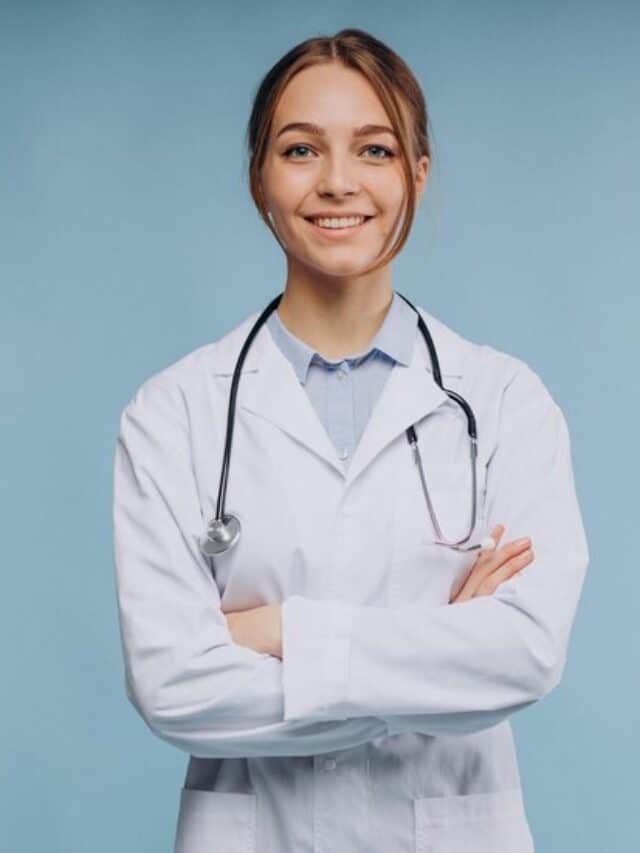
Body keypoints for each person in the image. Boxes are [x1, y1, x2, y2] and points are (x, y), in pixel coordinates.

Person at [112, 28, 589, 853]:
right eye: (301, 149)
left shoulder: (506, 402)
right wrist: (440, 648)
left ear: (418, 173)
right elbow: (170, 684)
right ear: (259, 177)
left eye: (375, 149)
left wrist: (274, 632)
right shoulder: (174, 412)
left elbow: (525, 652)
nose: (338, 182)